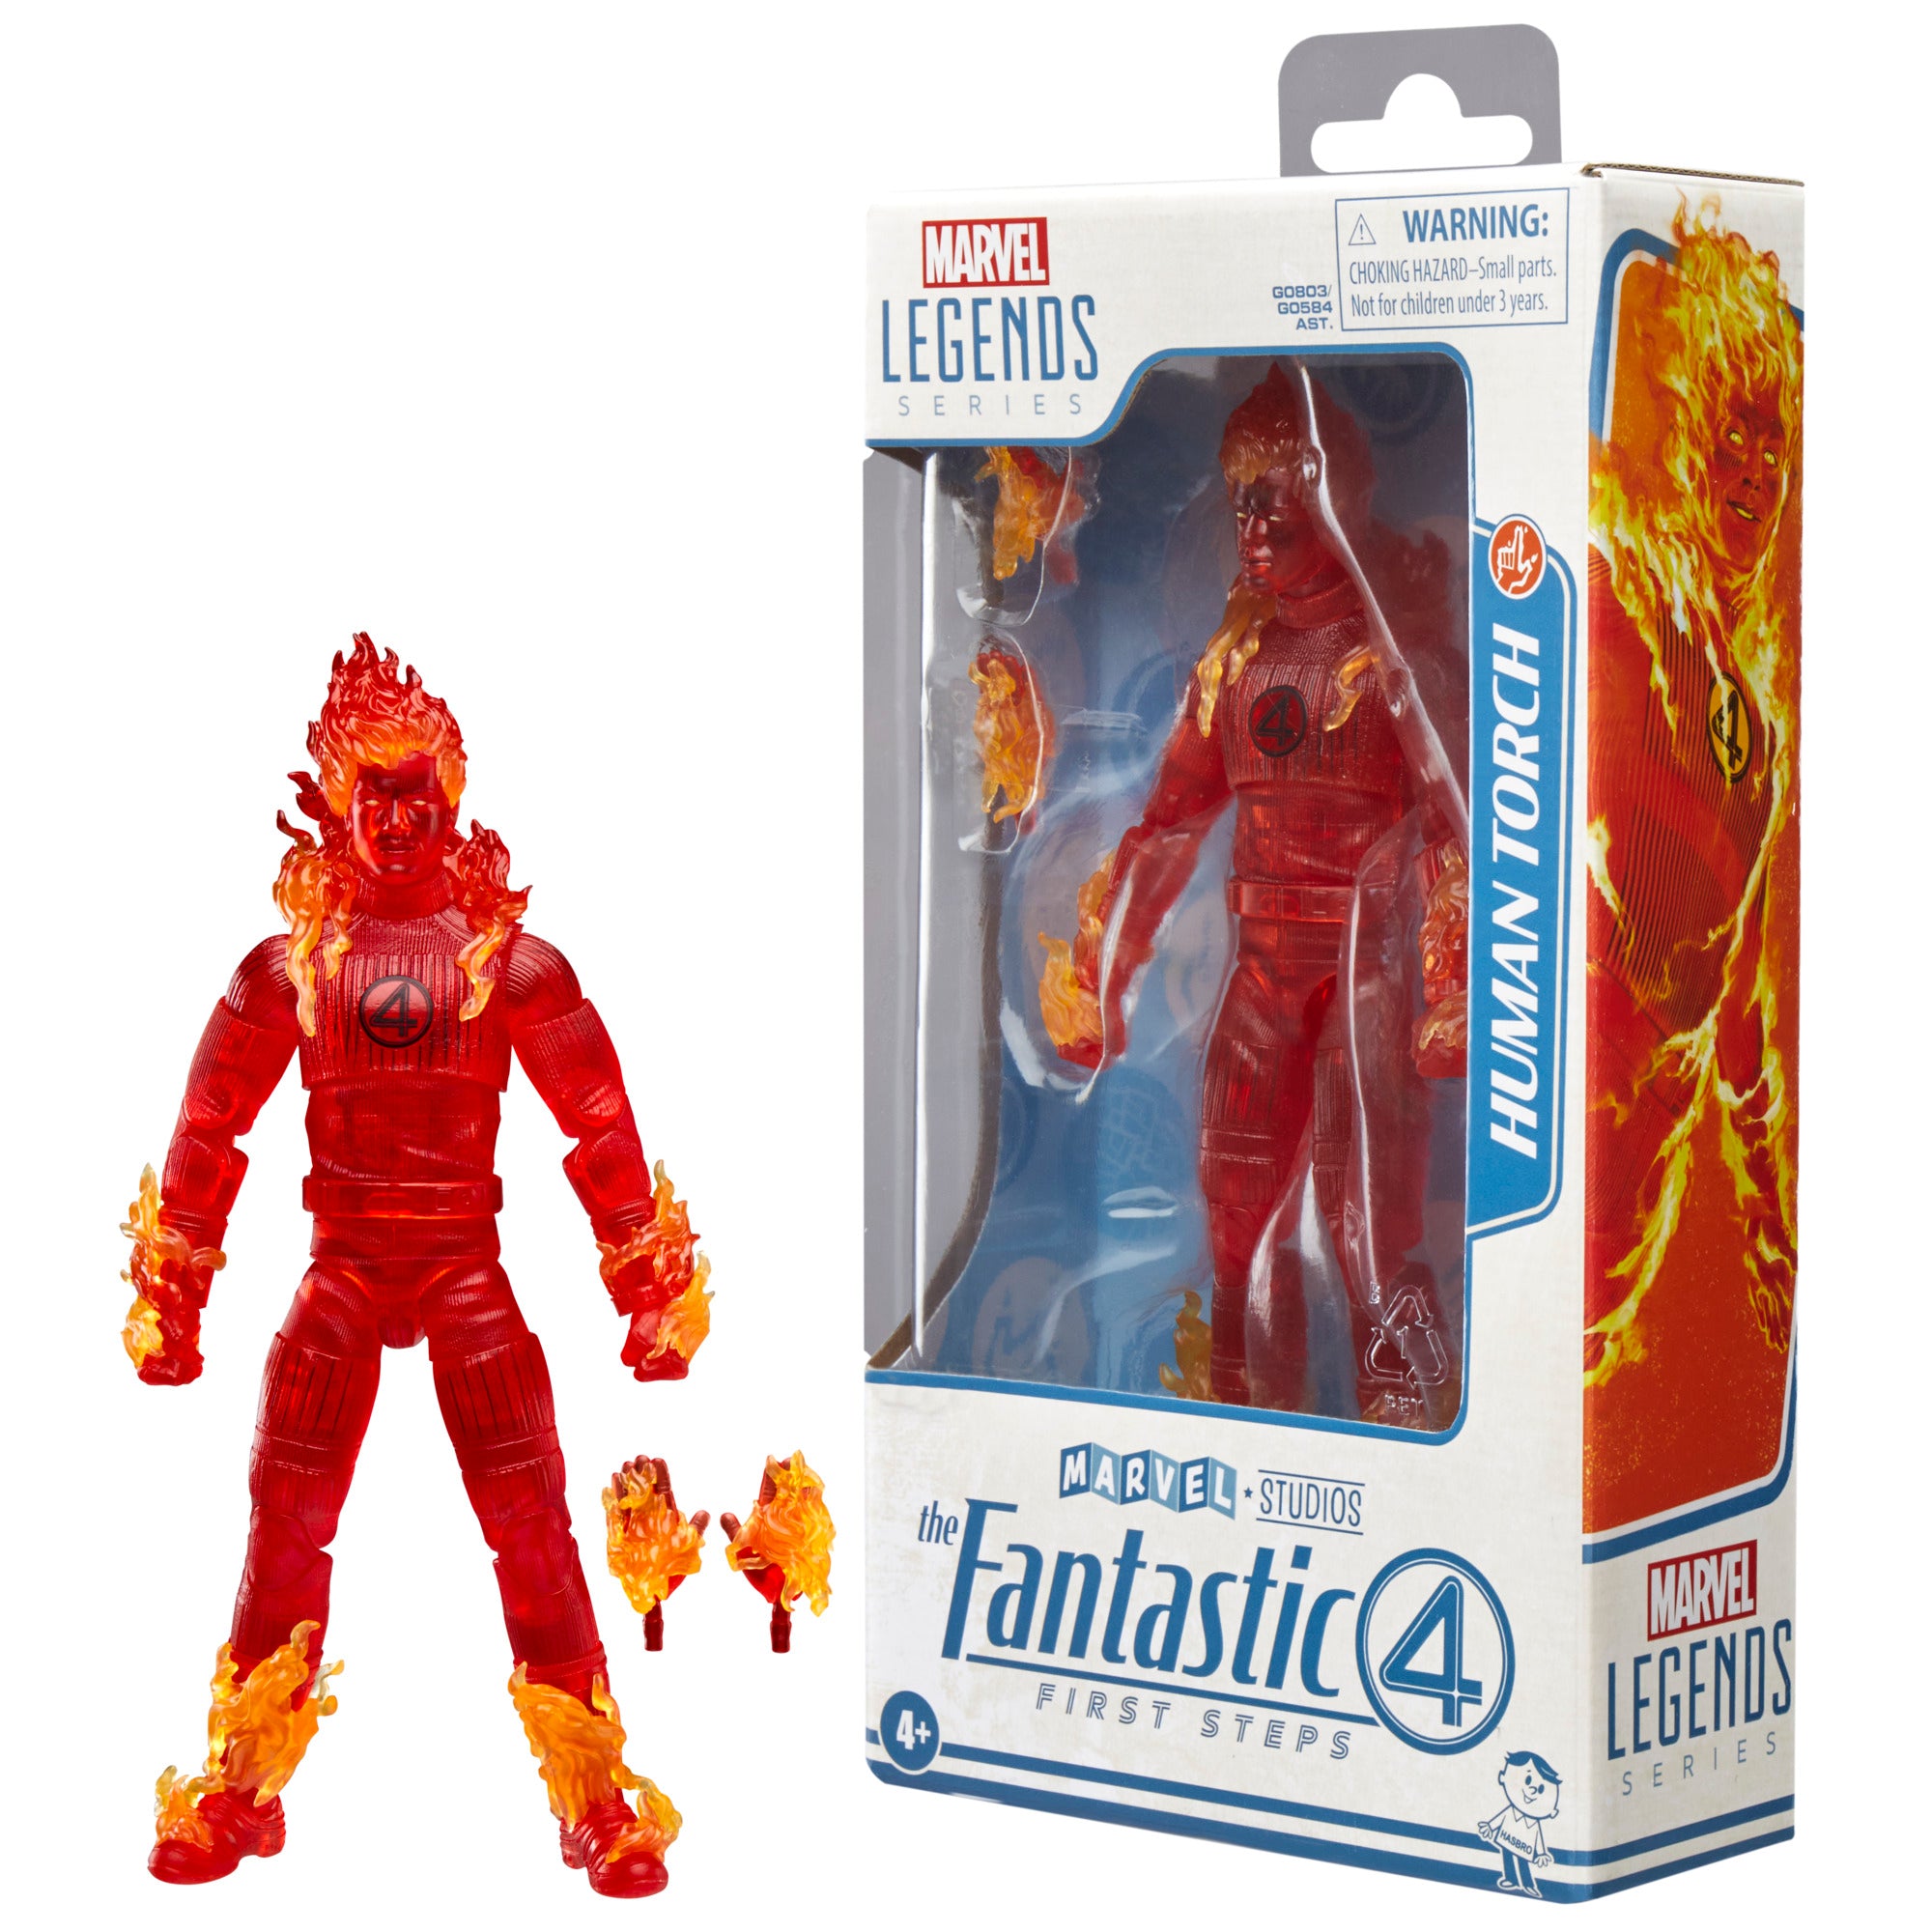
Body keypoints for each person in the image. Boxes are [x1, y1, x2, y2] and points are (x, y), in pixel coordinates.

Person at [125, 636, 706, 1893]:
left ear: (455, 795)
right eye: (373, 793)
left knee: (532, 1528)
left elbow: (598, 1123)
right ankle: (240, 1784)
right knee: (285, 1525)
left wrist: (651, 1291)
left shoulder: (506, 961)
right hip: (340, 1270)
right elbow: (210, 1129)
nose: (396, 818)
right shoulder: (295, 965)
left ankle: (595, 1794)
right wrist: (171, 1297)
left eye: (418, 791)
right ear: (336, 801)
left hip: (461, 1269)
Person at [1038, 363, 1465, 1421]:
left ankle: (1406, 1425)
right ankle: (1247, 1424)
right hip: (1262, 976)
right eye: (1238, 499)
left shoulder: (1393, 661)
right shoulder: (1234, 663)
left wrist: (1451, 982)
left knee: (1367, 1227)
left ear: (1332, 496)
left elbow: (1451, 829)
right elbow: (1167, 827)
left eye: (1271, 496)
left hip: (1363, 979)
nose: (1251, 524)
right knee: (1238, 1227)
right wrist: (1102, 972)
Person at [1583, 200, 1802, 1526]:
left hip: (1628, 1222)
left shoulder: (1760, 725)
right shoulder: (1620, 584)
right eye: (1731, 440)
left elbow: (1744, 1027)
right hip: (1547, 1159)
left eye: (1771, 449)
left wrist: (1772, 1226)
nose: (1752, 476)